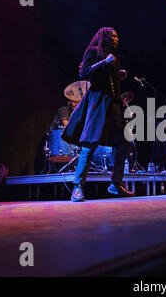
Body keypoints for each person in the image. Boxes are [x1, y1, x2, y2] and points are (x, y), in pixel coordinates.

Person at [62, 27, 132, 202]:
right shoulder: (94, 52)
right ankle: (77, 187)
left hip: (114, 103)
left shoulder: (113, 58)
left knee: (123, 145)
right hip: (98, 101)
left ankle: (115, 184)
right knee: (90, 143)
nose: (117, 38)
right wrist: (104, 63)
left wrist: (119, 74)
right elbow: (84, 72)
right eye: (114, 36)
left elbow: (108, 77)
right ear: (106, 37)